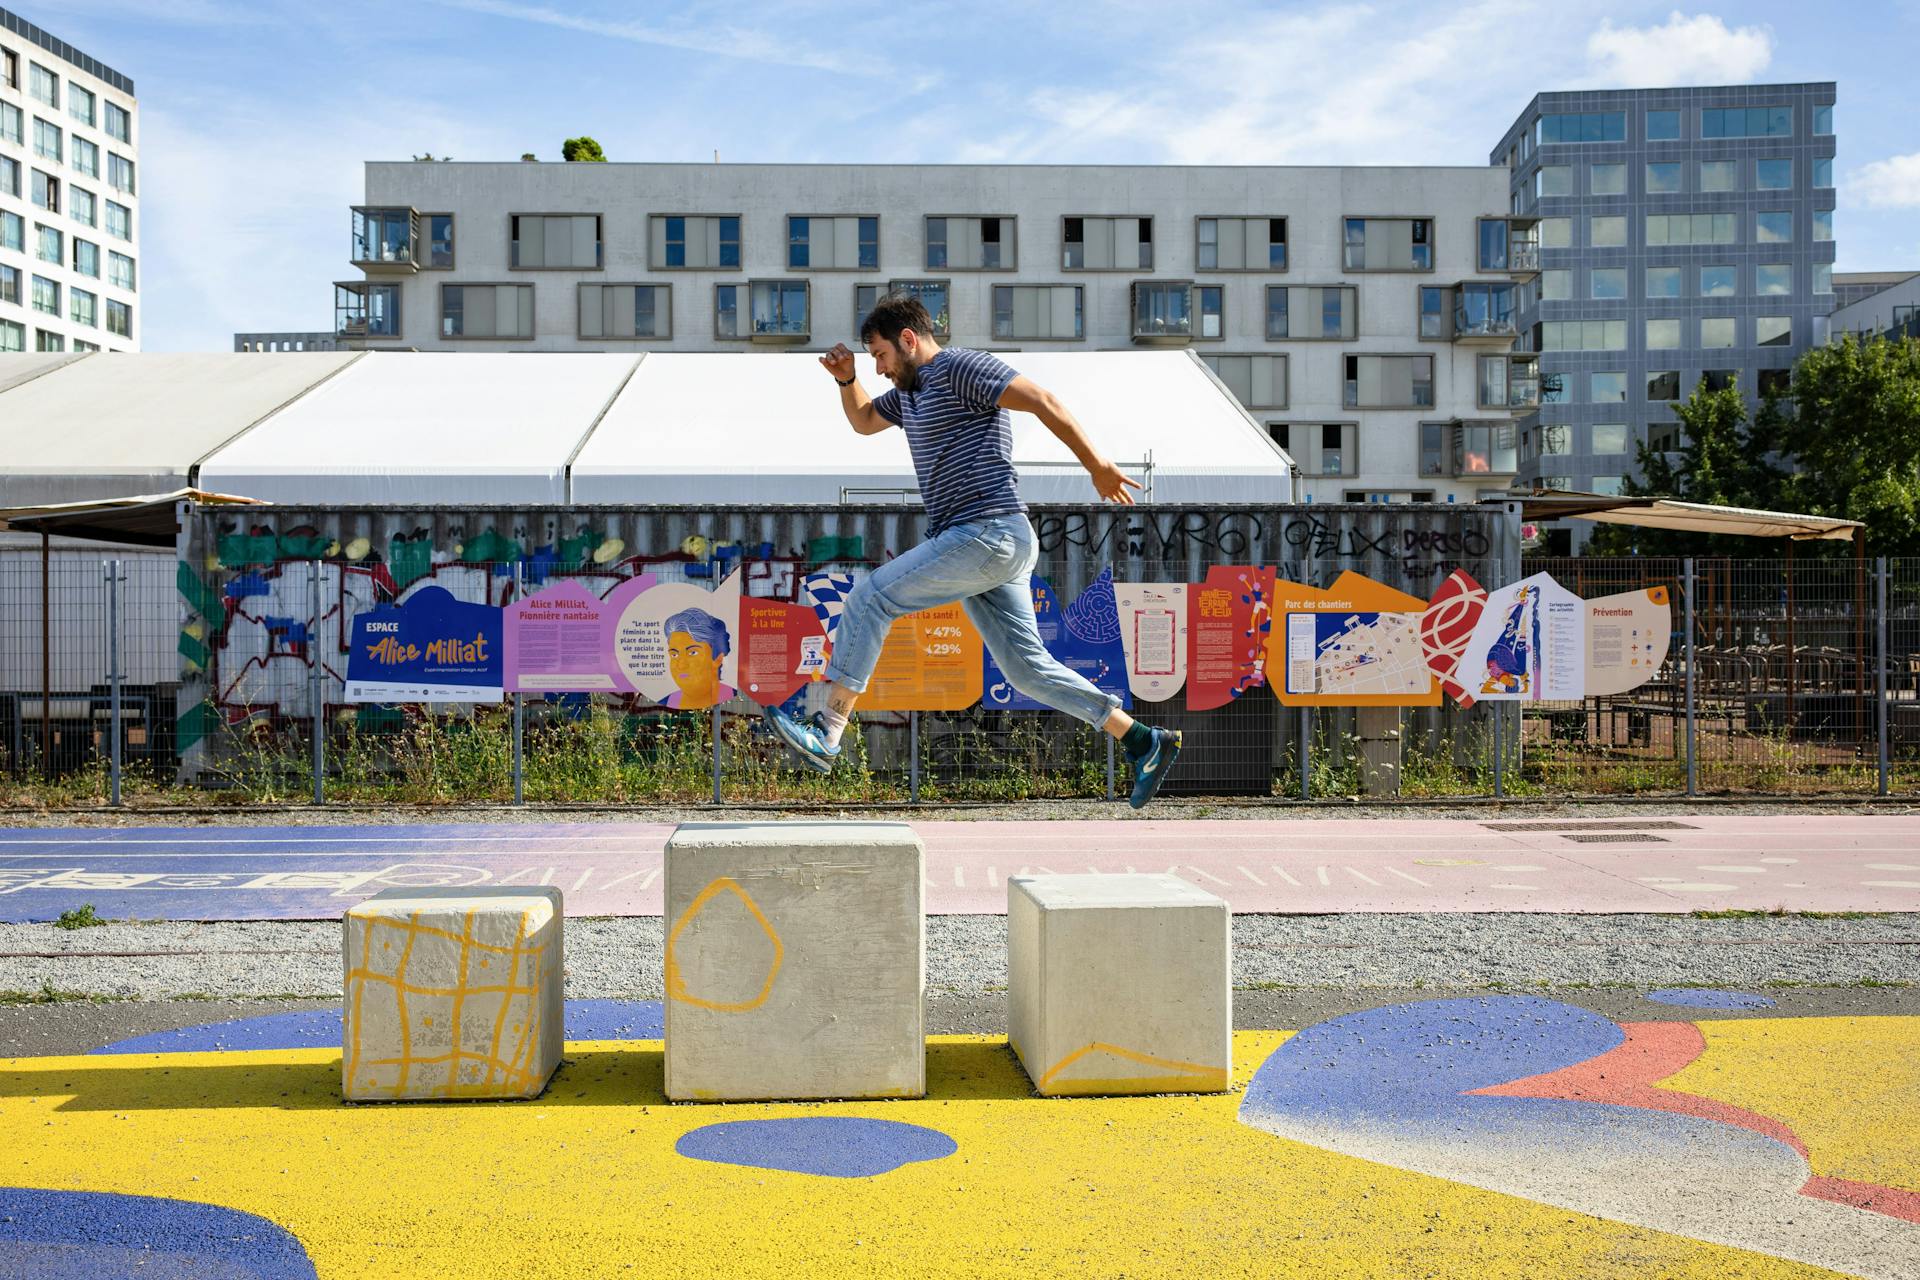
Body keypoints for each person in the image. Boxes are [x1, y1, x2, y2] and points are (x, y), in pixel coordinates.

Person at [763, 292, 1180, 808]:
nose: (881, 368)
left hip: (987, 531)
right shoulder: (908, 394)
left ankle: (826, 729)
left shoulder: (962, 368)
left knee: (872, 598)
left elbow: (1044, 402)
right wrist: (848, 379)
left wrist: (1096, 465)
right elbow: (864, 421)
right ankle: (1142, 740)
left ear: (909, 340)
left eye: (882, 357)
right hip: (985, 547)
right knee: (1027, 669)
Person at [662, 607, 735, 709]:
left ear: (718, 657)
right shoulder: (664, 702)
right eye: (674, 655)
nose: (681, 665)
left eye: (692, 652)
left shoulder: (735, 700)